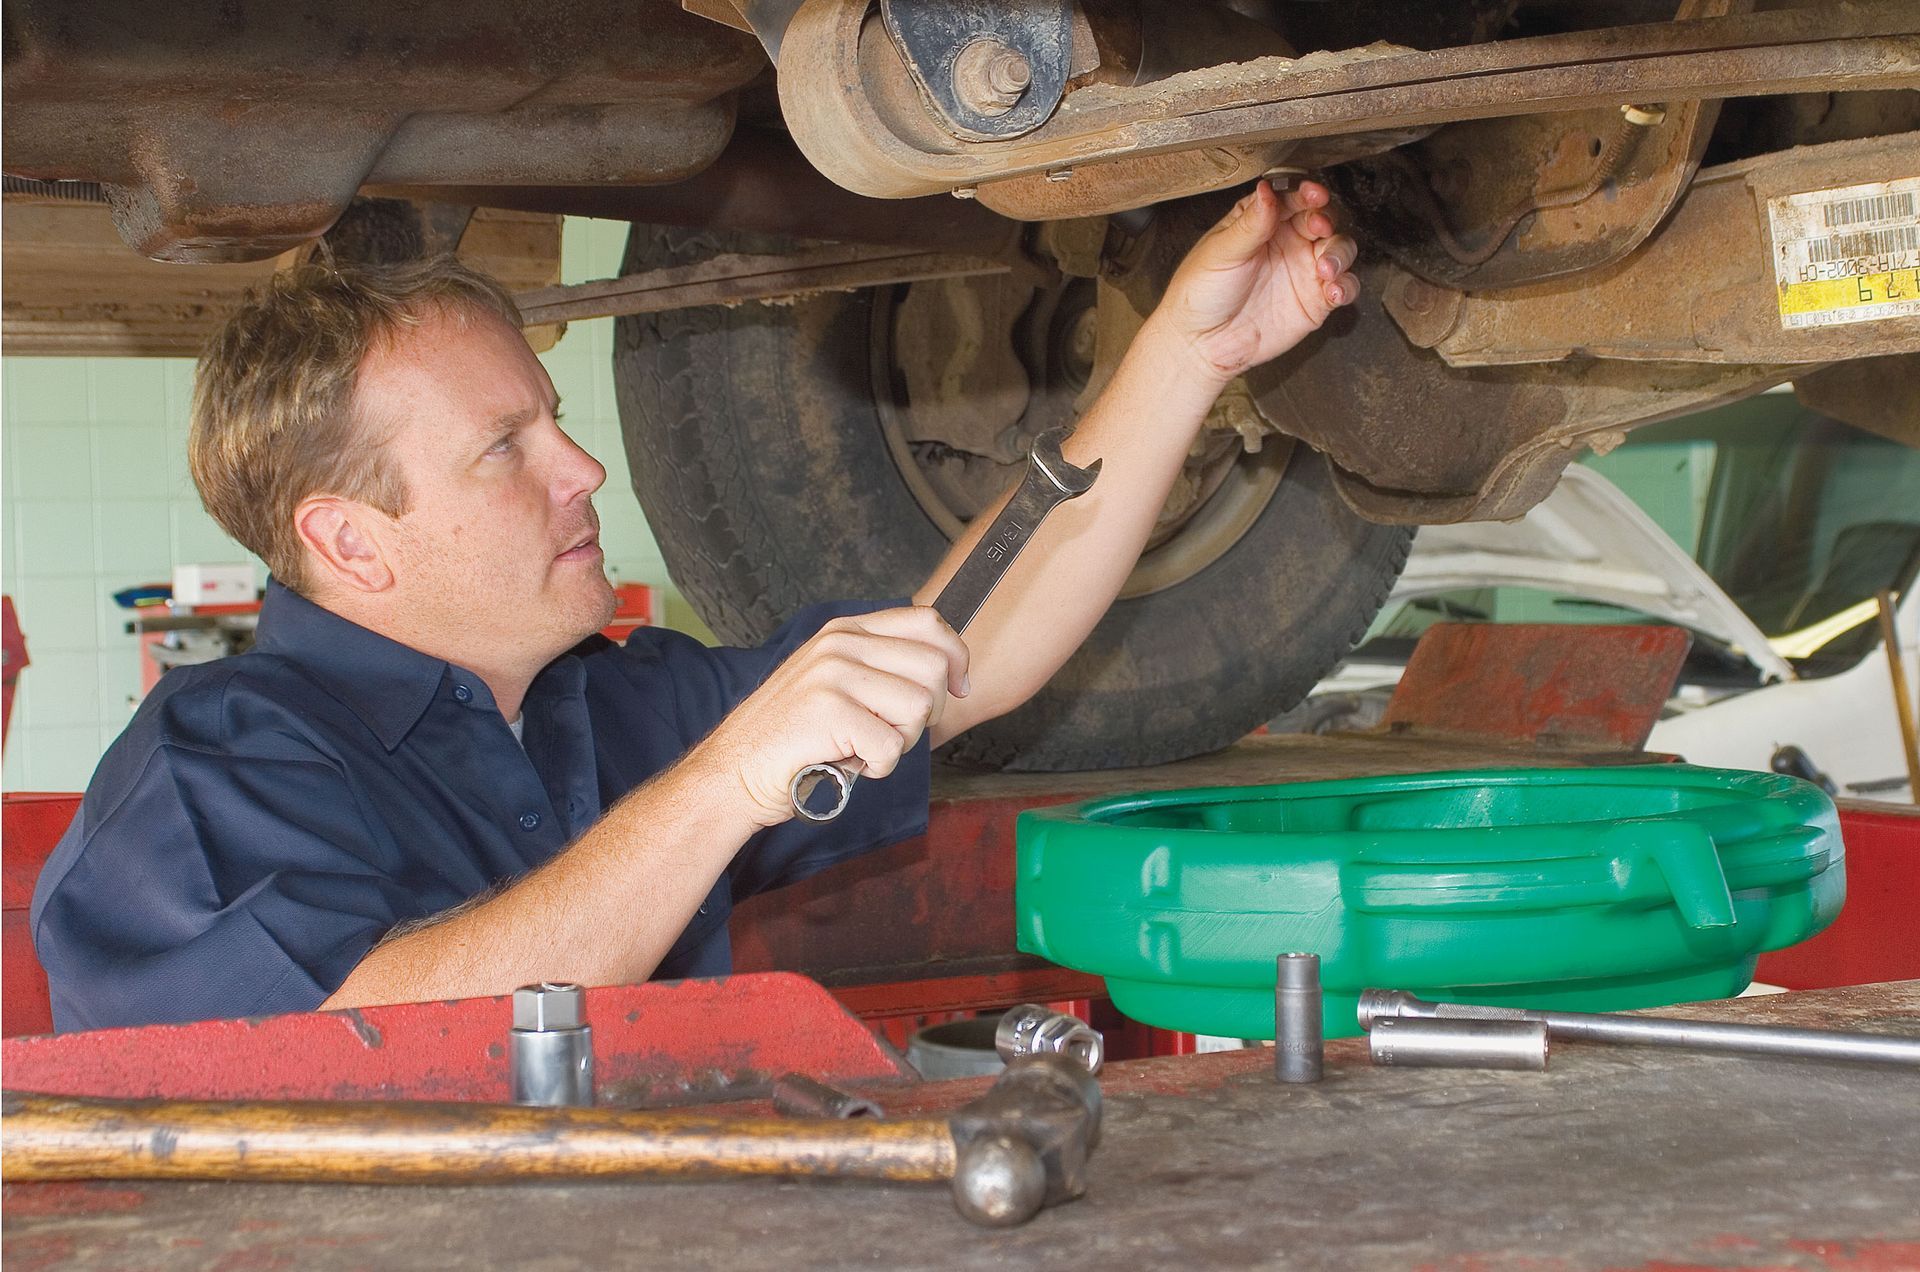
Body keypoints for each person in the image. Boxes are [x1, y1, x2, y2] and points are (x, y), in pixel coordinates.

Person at [30, 180, 1359, 1031]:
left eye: (554, 421)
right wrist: (723, 783)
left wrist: (1188, 353)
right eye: (507, 447)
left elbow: (959, 662)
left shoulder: (602, 702)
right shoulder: (209, 769)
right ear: (350, 541)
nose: (584, 468)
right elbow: (348, 1049)